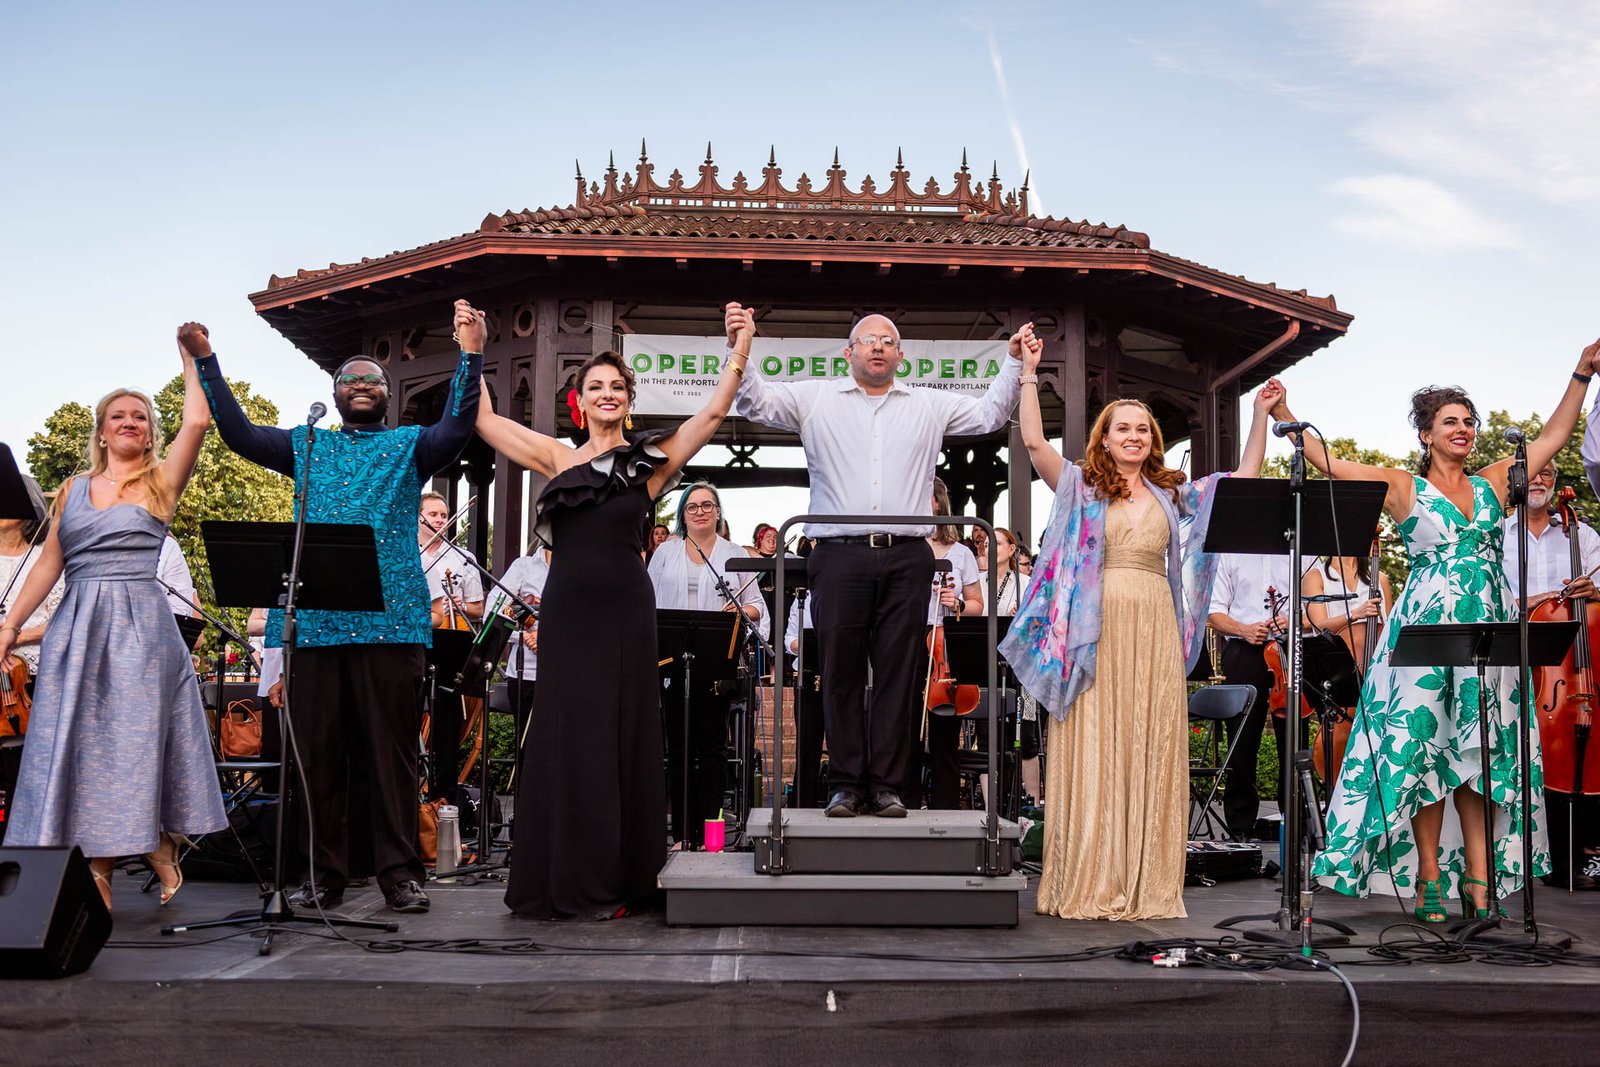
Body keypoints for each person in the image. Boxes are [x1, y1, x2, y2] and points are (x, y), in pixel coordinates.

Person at [1275, 341, 1596, 921]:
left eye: (1469, 421)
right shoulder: (1404, 487)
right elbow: (1329, 462)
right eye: (1450, 421)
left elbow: (1554, 435)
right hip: (1424, 625)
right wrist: (1284, 415)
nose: (1464, 429)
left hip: (1487, 623)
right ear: (1426, 434)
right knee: (1425, 749)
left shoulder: (1495, 482)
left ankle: (1479, 880)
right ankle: (1427, 875)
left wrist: (1581, 373)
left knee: (1481, 753)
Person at [194, 300, 487, 915]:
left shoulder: (409, 445)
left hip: (391, 625)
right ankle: (323, 875)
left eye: (371, 380)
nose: (360, 384)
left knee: (392, 758)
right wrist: (207, 363)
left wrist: (471, 355)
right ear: (333, 393)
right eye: (349, 379)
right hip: (316, 625)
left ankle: (398, 874)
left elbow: (457, 429)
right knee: (319, 762)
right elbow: (240, 434)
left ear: (387, 396)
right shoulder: (306, 445)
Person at [476, 308, 748, 920]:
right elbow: (485, 419)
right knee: (569, 735)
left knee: (620, 737)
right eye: (595, 386)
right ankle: (562, 878)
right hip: (569, 614)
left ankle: (618, 879)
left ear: (628, 400)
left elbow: (710, 416)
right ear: (579, 400)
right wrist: (473, 350)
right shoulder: (556, 458)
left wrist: (741, 347)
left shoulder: (648, 463)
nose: (607, 393)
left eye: (617, 386)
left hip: (627, 614)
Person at [1002, 330, 1281, 920]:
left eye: (1143, 430)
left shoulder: (1171, 492)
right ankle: (1093, 875)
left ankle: (1145, 877)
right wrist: (1028, 372)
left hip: (1154, 624)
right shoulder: (1080, 485)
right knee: (1098, 739)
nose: (1134, 436)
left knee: (1148, 742)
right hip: (1095, 628)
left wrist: (1259, 415)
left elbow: (1243, 477)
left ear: (1152, 441)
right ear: (1104, 438)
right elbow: (1032, 441)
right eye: (1122, 428)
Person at [729, 302, 1028, 818]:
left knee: (899, 674)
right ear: (848, 353)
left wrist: (1015, 361)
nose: (878, 347)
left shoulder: (927, 404)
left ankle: (889, 786)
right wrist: (741, 344)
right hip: (838, 554)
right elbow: (755, 401)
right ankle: (845, 784)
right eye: (868, 340)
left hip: (907, 554)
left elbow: (989, 414)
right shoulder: (816, 397)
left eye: (888, 341)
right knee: (839, 673)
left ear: (900, 357)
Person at [0, 328, 227, 909]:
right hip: (77, 630)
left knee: (127, 746)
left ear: (150, 432)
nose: (130, 422)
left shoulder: (161, 482)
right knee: (78, 747)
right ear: (101, 431)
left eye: (141, 417)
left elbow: (198, 420)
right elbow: (48, 565)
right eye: (119, 416)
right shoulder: (72, 489)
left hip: (140, 632)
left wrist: (190, 358)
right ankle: (153, 844)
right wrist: (9, 627)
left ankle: (103, 868)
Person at [648, 482, 766, 847]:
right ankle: (684, 834)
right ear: (683, 514)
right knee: (678, 749)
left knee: (713, 750)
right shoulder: (665, 552)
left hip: (717, 663)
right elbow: (647, 602)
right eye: (692, 506)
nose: (700, 511)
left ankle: (712, 837)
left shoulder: (734, 553)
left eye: (707, 505)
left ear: (718, 512)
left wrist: (740, 611)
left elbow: (757, 607)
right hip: (673, 662)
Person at [1503, 460, 1600, 888]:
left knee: (1569, 757)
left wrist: (1595, 591)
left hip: (1575, 672)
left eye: (1547, 473)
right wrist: (1531, 602)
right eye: (1531, 472)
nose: (1539, 479)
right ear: (1514, 482)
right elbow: (1485, 596)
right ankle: (1517, 852)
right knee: (1517, 756)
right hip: (1514, 661)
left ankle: (1578, 852)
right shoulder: (1495, 536)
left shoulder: (1584, 535)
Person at [1206, 552, 1298, 840]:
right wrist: (1243, 629)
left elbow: (1314, 606)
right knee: (1241, 739)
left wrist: (1292, 621)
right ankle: (1239, 828)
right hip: (1244, 649)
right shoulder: (1230, 554)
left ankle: (1295, 823)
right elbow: (1213, 611)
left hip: (1289, 649)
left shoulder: (1302, 549)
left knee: (1294, 739)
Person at [920, 477, 983, 810]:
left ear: (938, 503)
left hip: (945, 642)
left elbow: (976, 604)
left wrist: (956, 604)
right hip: (911, 637)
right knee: (905, 727)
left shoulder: (962, 554)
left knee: (945, 732)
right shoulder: (907, 548)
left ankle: (945, 806)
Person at [418, 490, 484, 627]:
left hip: (448, 631)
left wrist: (462, 606)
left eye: (444, 516)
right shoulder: (406, 556)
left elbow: (478, 610)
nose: (440, 520)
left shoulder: (464, 558)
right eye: (433, 514)